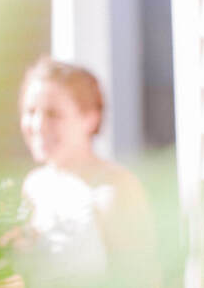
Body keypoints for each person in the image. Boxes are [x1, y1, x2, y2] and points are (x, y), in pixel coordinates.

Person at [18, 56, 159, 287]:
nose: (37, 125)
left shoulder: (116, 189)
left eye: (53, 114)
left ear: (90, 119)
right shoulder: (34, 185)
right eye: (30, 111)